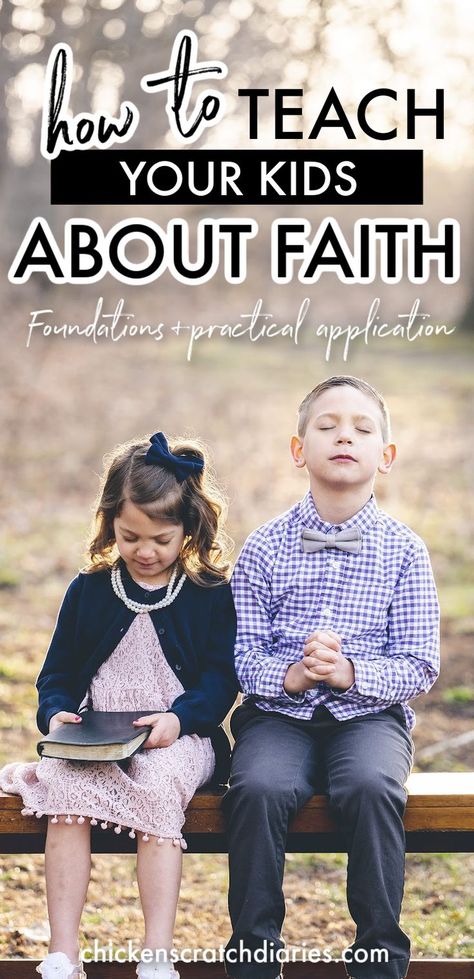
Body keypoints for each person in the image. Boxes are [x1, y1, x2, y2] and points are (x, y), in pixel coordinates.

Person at [223, 376, 440, 979]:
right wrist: (291, 675)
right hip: (279, 714)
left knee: (371, 787)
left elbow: (420, 661)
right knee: (259, 789)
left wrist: (351, 673)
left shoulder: (404, 551)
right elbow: (242, 655)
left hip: (369, 714)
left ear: (385, 457)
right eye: (327, 425)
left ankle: (378, 954)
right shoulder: (264, 547)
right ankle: (255, 952)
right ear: (299, 450)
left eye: (362, 429)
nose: (345, 435)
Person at [0, 431, 238, 979]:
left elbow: (220, 679)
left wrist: (179, 718)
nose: (146, 550)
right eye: (130, 536)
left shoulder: (206, 592)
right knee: (63, 787)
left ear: (190, 530)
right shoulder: (90, 589)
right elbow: (56, 673)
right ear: (110, 522)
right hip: (98, 737)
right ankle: (63, 950)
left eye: (161, 537)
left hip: (181, 738)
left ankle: (156, 953)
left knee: (157, 787)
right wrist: (56, 712)